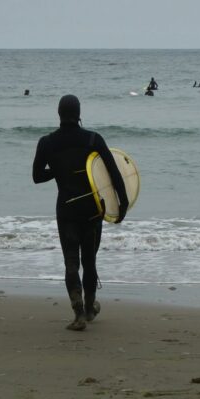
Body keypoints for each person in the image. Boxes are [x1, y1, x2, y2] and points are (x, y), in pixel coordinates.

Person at [33, 95, 128, 331]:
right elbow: (114, 173)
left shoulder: (47, 143)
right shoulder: (93, 140)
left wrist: (57, 170)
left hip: (66, 208)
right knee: (90, 260)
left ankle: (78, 314)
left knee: (71, 262)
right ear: (79, 113)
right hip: (92, 210)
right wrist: (122, 203)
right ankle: (89, 307)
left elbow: (37, 177)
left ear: (58, 113)